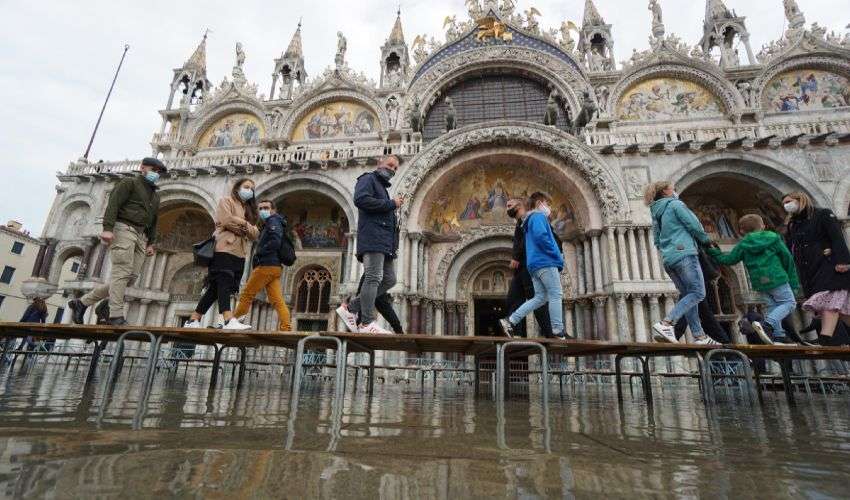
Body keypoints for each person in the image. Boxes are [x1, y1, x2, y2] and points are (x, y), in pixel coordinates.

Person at [68, 158, 166, 326]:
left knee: (131, 277)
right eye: (153, 169)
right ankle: (115, 315)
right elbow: (113, 204)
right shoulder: (129, 182)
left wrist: (151, 242)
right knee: (121, 273)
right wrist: (107, 228)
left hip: (141, 236)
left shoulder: (155, 196)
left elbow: (154, 220)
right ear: (142, 168)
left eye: (159, 172)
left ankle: (83, 302)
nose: (156, 173)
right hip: (123, 229)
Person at [199, 199, 292, 331]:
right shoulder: (275, 222)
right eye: (260, 209)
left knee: (247, 294)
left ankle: (229, 322)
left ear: (274, 210)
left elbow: (275, 242)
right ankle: (286, 327)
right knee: (277, 300)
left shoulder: (273, 221)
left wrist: (259, 253)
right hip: (275, 267)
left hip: (266, 265)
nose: (263, 211)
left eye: (266, 208)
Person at [707, 214, 799, 345]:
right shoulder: (773, 238)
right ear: (762, 226)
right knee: (790, 303)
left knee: (773, 306)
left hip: (759, 282)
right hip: (777, 277)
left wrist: (713, 251)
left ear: (742, 231)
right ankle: (767, 324)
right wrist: (793, 281)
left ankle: (779, 336)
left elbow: (728, 260)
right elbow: (787, 259)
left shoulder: (743, 244)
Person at [645, 181, 717, 345]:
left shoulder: (656, 212)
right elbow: (695, 225)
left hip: (669, 259)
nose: (675, 191)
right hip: (685, 254)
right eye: (672, 188)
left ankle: (699, 336)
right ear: (665, 191)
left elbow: (656, 240)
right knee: (698, 293)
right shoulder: (675, 204)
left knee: (688, 296)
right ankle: (666, 323)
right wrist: (706, 241)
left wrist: (669, 250)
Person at [336, 156, 403, 334]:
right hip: (373, 237)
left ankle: (351, 307)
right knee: (373, 277)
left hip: (384, 243)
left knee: (390, 279)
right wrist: (391, 204)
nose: (392, 170)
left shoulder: (382, 186)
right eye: (390, 165)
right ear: (380, 162)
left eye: (395, 168)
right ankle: (366, 322)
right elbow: (361, 200)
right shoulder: (368, 179)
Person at [186, 179, 259, 330]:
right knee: (224, 280)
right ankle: (227, 319)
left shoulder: (250, 209)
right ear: (237, 188)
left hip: (240, 252)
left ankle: (193, 320)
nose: (249, 191)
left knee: (215, 288)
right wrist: (246, 226)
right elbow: (226, 220)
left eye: (252, 189)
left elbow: (255, 234)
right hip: (224, 247)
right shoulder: (226, 201)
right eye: (246, 187)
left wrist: (241, 224)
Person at [499, 192, 570, 339]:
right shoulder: (538, 217)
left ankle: (510, 320)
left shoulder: (526, 222)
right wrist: (556, 255)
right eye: (547, 203)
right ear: (539, 203)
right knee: (555, 294)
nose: (548, 207)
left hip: (533, 266)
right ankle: (557, 331)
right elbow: (541, 237)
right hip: (546, 261)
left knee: (539, 298)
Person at [783, 192, 850, 346]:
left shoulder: (823, 214)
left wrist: (843, 261)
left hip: (831, 266)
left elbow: (836, 237)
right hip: (811, 270)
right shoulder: (794, 224)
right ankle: (826, 338)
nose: (786, 205)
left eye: (789, 201)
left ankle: (825, 338)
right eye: (784, 204)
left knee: (830, 301)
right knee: (844, 311)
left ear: (800, 199)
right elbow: (793, 248)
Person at [505, 198, 555, 338]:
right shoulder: (520, 223)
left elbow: (531, 239)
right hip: (521, 267)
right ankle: (515, 332)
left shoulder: (532, 219)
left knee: (538, 299)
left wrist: (516, 256)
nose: (507, 208)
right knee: (513, 298)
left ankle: (551, 332)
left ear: (520, 205)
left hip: (531, 264)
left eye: (509, 205)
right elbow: (518, 241)